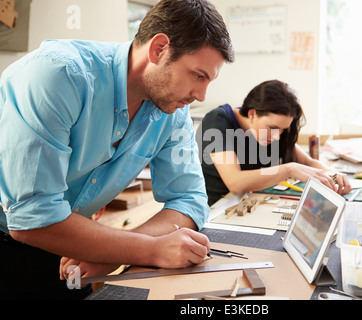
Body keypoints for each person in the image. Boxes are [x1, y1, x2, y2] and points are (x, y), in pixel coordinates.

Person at [0, 0, 234, 299]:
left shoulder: (173, 114)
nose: (201, 95)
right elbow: (31, 217)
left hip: (74, 248)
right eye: (198, 75)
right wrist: (147, 249)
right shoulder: (59, 74)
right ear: (159, 49)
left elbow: (190, 199)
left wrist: (116, 249)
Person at [196, 80, 352, 206]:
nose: (277, 137)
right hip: (218, 208)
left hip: (251, 200)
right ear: (252, 114)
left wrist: (332, 173)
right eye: (273, 128)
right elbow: (235, 183)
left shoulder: (271, 130)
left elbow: (306, 161)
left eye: (283, 130)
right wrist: (289, 169)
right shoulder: (217, 121)